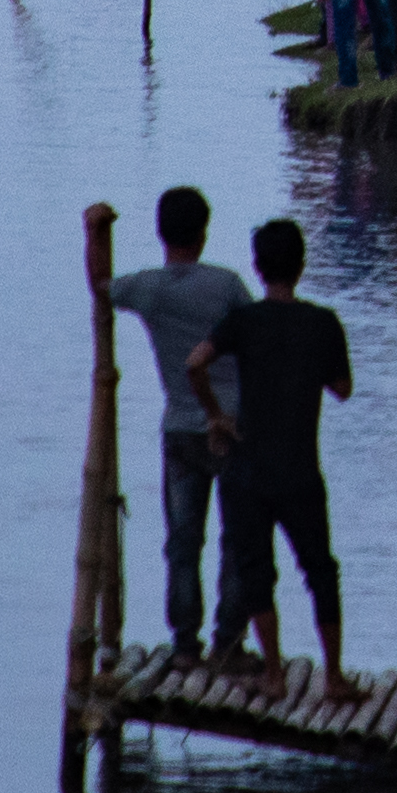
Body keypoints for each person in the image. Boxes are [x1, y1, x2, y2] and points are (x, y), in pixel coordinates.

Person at [182, 218, 358, 699]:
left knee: (257, 570)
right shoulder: (323, 324)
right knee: (320, 570)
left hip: (248, 470)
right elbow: (342, 390)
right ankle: (336, 677)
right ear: (302, 265)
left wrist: (216, 416)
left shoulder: (244, 322)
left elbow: (195, 362)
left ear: (257, 268)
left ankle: (274, 673)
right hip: (300, 469)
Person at [107, 186, 251, 664]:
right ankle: (228, 642)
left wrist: (93, 232)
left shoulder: (150, 289)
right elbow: (256, 341)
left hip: (181, 428)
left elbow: (100, 285)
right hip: (231, 427)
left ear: (160, 232)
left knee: (184, 540)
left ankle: (185, 643)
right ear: (204, 233)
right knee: (237, 540)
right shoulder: (227, 286)